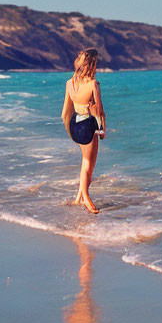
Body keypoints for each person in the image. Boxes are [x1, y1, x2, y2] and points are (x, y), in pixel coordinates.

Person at [60, 48, 106, 214]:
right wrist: (102, 130)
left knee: (84, 161)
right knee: (89, 164)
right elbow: (99, 111)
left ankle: (79, 196)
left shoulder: (70, 83)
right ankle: (86, 197)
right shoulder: (93, 84)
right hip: (88, 125)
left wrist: (70, 132)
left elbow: (65, 112)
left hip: (74, 125)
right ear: (92, 65)